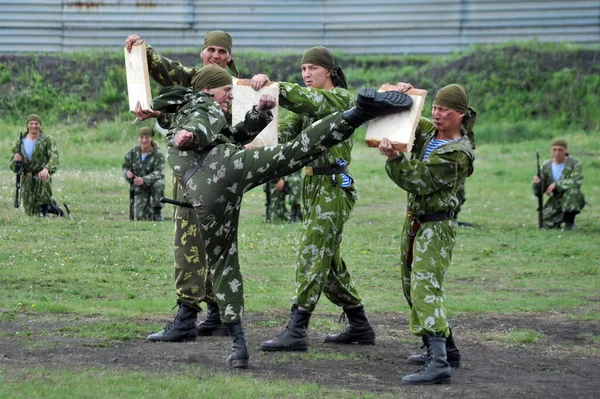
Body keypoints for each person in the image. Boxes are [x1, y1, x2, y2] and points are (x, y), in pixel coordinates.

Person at [147, 63, 413, 368]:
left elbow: (230, 135)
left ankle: (240, 346)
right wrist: (189, 135)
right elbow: (200, 124)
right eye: (227, 92)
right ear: (208, 89)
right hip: (225, 172)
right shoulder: (202, 104)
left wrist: (259, 113)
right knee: (295, 151)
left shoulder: (198, 107)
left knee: (223, 261)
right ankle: (358, 114)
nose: (230, 98)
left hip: (213, 185)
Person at [250, 46, 379, 352]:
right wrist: (259, 121)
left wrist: (275, 87)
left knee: (312, 252)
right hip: (312, 184)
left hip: (335, 183)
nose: (306, 74)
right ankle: (359, 324)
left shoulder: (343, 99)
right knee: (327, 260)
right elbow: (283, 134)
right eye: (303, 69)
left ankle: (297, 328)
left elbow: (312, 101)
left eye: (312, 68)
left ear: (329, 71)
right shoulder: (306, 106)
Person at [125, 30, 238, 337]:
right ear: (203, 54)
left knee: (191, 243)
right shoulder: (195, 81)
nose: (215, 56)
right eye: (210, 50)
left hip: (204, 178)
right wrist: (142, 52)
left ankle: (187, 318)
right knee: (215, 245)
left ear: (230, 56)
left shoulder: (240, 90)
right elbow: (167, 70)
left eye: (221, 51)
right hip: (220, 180)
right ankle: (219, 314)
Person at [378, 83, 476, 385]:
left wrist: (394, 160)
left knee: (424, 287)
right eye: (435, 107)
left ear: (460, 115)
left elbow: (417, 180)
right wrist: (402, 93)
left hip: (436, 226)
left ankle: (439, 363)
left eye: (444, 110)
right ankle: (447, 349)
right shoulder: (429, 131)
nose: (436, 114)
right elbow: (406, 113)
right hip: (415, 223)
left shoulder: (458, 155)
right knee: (411, 285)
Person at [9, 114, 63, 217]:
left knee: (42, 201)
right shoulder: (20, 141)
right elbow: (12, 165)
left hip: (41, 175)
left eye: (36, 123)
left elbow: (54, 157)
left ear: (40, 125)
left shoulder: (47, 140)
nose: (34, 126)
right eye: (31, 123)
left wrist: (47, 169)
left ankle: (45, 208)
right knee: (31, 213)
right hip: (27, 178)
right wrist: (16, 160)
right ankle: (51, 206)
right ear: (27, 125)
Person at [533, 138, 585, 231]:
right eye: (554, 149)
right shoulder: (546, 165)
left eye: (560, 150)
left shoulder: (575, 163)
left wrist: (556, 184)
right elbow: (540, 190)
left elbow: (576, 180)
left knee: (572, 190)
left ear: (566, 150)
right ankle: (560, 218)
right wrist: (537, 183)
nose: (557, 153)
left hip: (573, 197)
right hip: (556, 198)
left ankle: (569, 223)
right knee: (545, 224)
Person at [122, 127, 166, 221]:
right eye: (141, 137)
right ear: (138, 138)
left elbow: (160, 172)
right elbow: (125, 167)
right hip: (139, 186)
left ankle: (157, 211)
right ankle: (148, 212)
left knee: (159, 184)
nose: (144, 140)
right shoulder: (133, 152)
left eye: (147, 137)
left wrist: (144, 179)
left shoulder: (158, 154)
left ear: (151, 138)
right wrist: (127, 173)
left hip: (153, 183)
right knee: (140, 217)